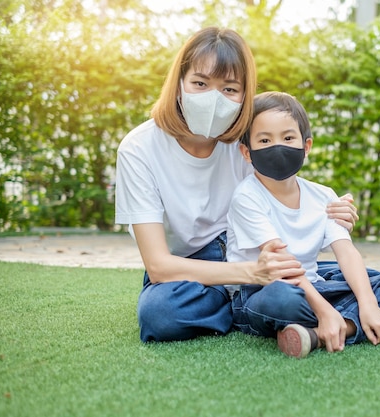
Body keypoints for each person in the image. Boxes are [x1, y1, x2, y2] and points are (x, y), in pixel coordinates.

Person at [115, 28, 358, 343]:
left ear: (245, 95)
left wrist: (333, 210)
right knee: (159, 313)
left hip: (254, 247)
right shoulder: (139, 148)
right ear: (179, 84)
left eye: (229, 89)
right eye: (200, 84)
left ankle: (278, 300)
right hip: (190, 266)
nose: (214, 99)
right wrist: (252, 275)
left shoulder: (251, 137)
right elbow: (159, 266)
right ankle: (255, 308)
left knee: (375, 283)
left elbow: (289, 185)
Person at [226, 91, 380, 358]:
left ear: (306, 146)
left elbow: (346, 252)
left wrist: (368, 302)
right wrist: (324, 309)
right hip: (262, 292)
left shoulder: (323, 195)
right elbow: (281, 264)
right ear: (247, 152)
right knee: (282, 299)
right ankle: (351, 322)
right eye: (265, 140)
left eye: (288, 137)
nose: (277, 146)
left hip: (315, 286)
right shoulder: (247, 196)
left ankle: (323, 333)